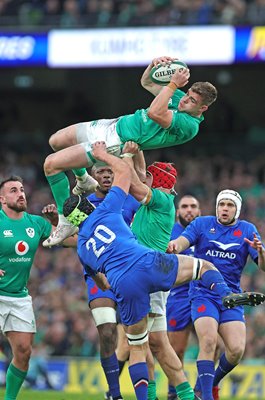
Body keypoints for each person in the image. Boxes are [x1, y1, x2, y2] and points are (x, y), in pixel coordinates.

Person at [62, 142, 255, 400]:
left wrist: (131, 154)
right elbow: (133, 176)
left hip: (126, 281)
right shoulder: (110, 210)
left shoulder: (84, 246)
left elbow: (102, 281)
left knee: (140, 347)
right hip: (149, 267)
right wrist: (126, 151)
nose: (146, 178)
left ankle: (146, 395)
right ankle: (186, 393)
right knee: (160, 344)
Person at [42, 55, 218, 247]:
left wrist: (173, 85)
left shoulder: (189, 125)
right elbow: (147, 82)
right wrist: (154, 65)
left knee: (51, 165)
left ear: (203, 108)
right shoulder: (179, 98)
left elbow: (154, 112)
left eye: (191, 100)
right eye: (187, 94)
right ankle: (84, 180)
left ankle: (65, 221)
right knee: (56, 141)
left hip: (114, 142)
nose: (184, 100)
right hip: (113, 124)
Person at [167, 189, 265, 400]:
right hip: (203, 293)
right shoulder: (202, 224)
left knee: (236, 350)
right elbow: (183, 241)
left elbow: (263, 266)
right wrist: (175, 246)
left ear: (237, 209)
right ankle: (205, 396)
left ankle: (209, 384)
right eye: (222, 204)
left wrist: (262, 253)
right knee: (209, 341)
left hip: (231, 296)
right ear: (216, 207)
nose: (225, 208)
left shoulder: (247, 230)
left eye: (230, 205)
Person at [84, 164, 139, 400]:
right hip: (98, 275)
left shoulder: (129, 200)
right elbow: (73, 238)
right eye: (100, 172)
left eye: (110, 172)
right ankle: (115, 395)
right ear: (92, 176)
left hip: (130, 274)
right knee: (107, 331)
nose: (106, 176)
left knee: (135, 336)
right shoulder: (83, 205)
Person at [0, 176, 54, 400]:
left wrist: (57, 221)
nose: (20, 193)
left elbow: (70, 239)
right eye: (13, 190)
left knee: (23, 351)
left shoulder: (36, 223)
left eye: (22, 189)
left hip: (19, 297)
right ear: (2, 199)